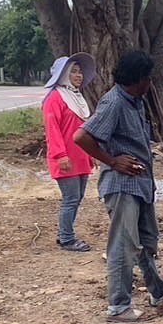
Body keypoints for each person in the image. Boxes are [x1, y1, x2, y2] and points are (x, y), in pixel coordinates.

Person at [73, 49, 163, 322]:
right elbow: (81, 137)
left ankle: (159, 292)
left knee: (147, 242)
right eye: (148, 78)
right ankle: (118, 306)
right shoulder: (114, 103)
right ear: (138, 79)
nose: (150, 83)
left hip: (140, 185)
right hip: (122, 186)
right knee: (123, 245)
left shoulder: (134, 101)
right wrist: (112, 161)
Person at [41, 53, 98, 252]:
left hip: (80, 156)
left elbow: (84, 129)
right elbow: (52, 129)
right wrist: (60, 155)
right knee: (70, 198)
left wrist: (91, 153)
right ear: (63, 74)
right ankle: (66, 239)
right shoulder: (54, 98)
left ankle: (64, 234)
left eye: (80, 72)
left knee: (78, 197)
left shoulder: (77, 97)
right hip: (65, 158)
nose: (78, 75)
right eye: (73, 71)